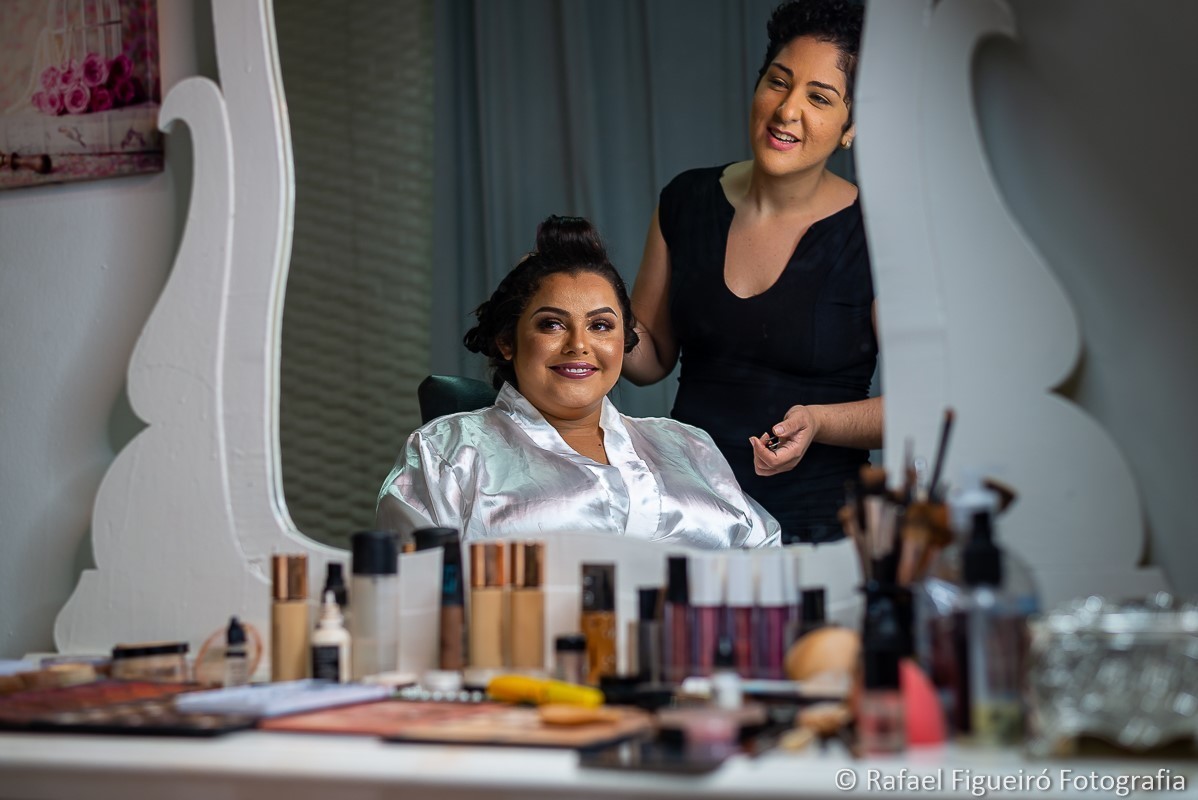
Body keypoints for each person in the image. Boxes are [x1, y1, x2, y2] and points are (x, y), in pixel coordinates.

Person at [622, 0, 881, 543]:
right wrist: (589, 308)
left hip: (818, 525)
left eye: (819, 97)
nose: (788, 110)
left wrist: (820, 421)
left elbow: (925, 406)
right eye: (778, 82)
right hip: (689, 512)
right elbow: (650, 360)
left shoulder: (876, 233)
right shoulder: (686, 199)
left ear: (852, 126)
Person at [377, 215, 780, 549]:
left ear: (624, 342)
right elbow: (413, 595)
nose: (578, 345)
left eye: (601, 325)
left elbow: (767, 558)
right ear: (506, 341)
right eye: (551, 324)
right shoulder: (445, 452)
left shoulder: (687, 445)